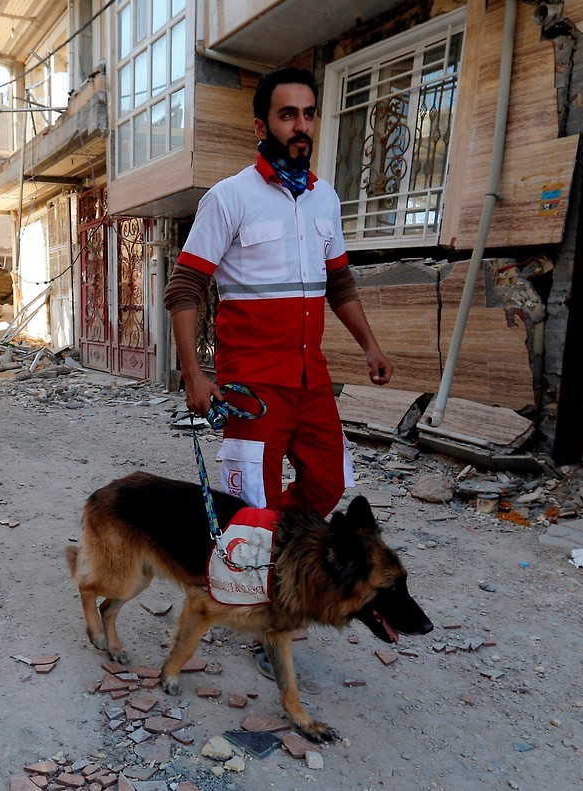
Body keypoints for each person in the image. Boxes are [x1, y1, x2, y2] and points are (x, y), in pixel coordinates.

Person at [164, 66, 393, 677]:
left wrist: (368, 343)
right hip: (250, 386)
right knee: (250, 505)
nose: (301, 125)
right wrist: (194, 374)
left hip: (310, 377)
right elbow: (184, 288)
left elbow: (339, 280)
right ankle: (264, 614)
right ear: (262, 124)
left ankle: (262, 554)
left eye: (309, 113)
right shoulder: (230, 197)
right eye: (288, 115)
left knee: (325, 484)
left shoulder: (324, 197)